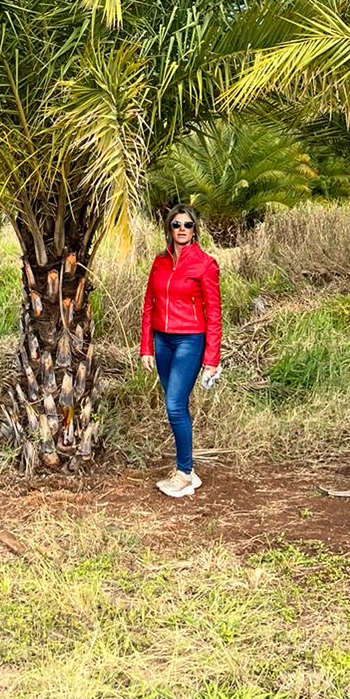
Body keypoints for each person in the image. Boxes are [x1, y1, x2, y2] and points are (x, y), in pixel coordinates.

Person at [140, 204, 222, 498]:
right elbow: (149, 304)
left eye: (187, 225)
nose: (182, 229)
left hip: (190, 340)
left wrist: (212, 359)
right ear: (169, 229)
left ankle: (185, 473)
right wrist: (146, 348)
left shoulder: (205, 264)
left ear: (195, 229)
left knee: (174, 405)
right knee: (176, 406)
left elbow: (214, 313)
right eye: (176, 225)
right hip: (162, 342)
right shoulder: (160, 262)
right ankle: (187, 469)